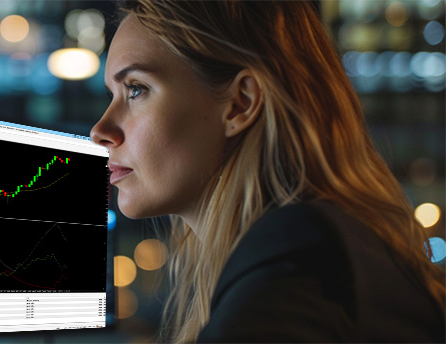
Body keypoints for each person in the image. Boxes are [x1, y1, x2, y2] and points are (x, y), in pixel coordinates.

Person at [89, 1, 446, 342]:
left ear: (240, 104)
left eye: (136, 89)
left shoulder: (300, 255)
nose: (100, 130)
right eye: (112, 95)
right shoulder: (315, 244)